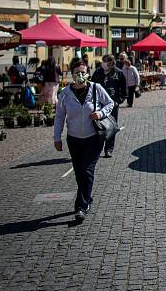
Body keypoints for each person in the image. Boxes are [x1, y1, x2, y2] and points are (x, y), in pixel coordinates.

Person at [53, 57, 114, 222]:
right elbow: (59, 117)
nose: (80, 75)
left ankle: (81, 206)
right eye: (77, 73)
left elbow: (110, 103)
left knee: (87, 170)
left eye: (83, 72)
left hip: (93, 138)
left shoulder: (96, 88)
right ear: (71, 75)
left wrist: (100, 113)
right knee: (80, 173)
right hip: (73, 139)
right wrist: (57, 137)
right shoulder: (65, 94)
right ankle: (87, 197)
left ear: (87, 73)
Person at [91, 54, 126, 158]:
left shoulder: (118, 73)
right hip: (99, 104)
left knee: (111, 126)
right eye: (103, 61)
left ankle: (109, 149)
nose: (103, 63)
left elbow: (123, 89)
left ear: (111, 63)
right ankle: (97, 148)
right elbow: (92, 85)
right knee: (98, 126)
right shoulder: (98, 72)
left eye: (105, 61)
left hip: (112, 105)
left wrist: (119, 101)